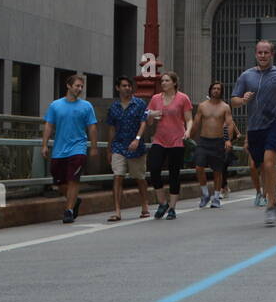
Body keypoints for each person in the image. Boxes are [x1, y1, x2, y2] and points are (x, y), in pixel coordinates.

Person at [232, 40, 276, 227]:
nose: (262, 55)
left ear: (272, 54)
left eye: (266, 52)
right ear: (255, 54)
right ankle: (275, 199)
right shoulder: (246, 76)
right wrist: (242, 100)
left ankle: (271, 205)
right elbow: (234, 100)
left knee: (269, 161)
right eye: (259, 53)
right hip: (255, 127)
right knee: (261, 166)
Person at [42, 73, 98, 223]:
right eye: (77, 86)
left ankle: (69, 210)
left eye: (81, 86)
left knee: (73, 179)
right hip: (59, 149)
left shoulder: (86, 106)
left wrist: (93, 146)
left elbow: (92, 127)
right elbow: (49, 125)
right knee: (59, 181)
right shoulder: (55, 105)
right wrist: (44, 144)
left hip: (78, 148)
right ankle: (74, 200)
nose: (79, 89)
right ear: (68, 86)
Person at [141, 72, 193, 220]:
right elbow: (149, 120)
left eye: (167, 80)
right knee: (154, 168)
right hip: (159, 139)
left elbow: (189, 119)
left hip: (177, 139)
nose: (163, 83)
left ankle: (172, 207)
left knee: (174, 173)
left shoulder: (183, 98)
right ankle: (162, 202)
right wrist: (151, 115)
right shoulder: (155, 98)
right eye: (162, 80)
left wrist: (188, 131)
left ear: (174, 83)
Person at [105, 75, 150, 221]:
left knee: (139, 177)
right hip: (118, 145)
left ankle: (145, 205)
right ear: (118, 88)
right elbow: (111, 129)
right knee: (118, 176)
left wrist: (137, 139)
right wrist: (109, 149)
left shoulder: (139, 103)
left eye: (129, 86)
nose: (127, 88)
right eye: (124, 86)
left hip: (135, 146)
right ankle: (117, 211)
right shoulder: (114, 107)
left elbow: (143, 123)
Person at [190, 81, 235, 208]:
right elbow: (196, 123)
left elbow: (229, 124)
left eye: (218, 89)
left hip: (218, 141)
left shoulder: (225, 107)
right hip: (204, 141)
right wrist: (190, 135)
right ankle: (205, 193)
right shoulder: (202, 106)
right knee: (199, 167)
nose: (216, 91)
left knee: (217, 170)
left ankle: (216, 197)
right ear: (210, 90)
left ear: (221, 91)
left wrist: (227, 140)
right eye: (214, 88)